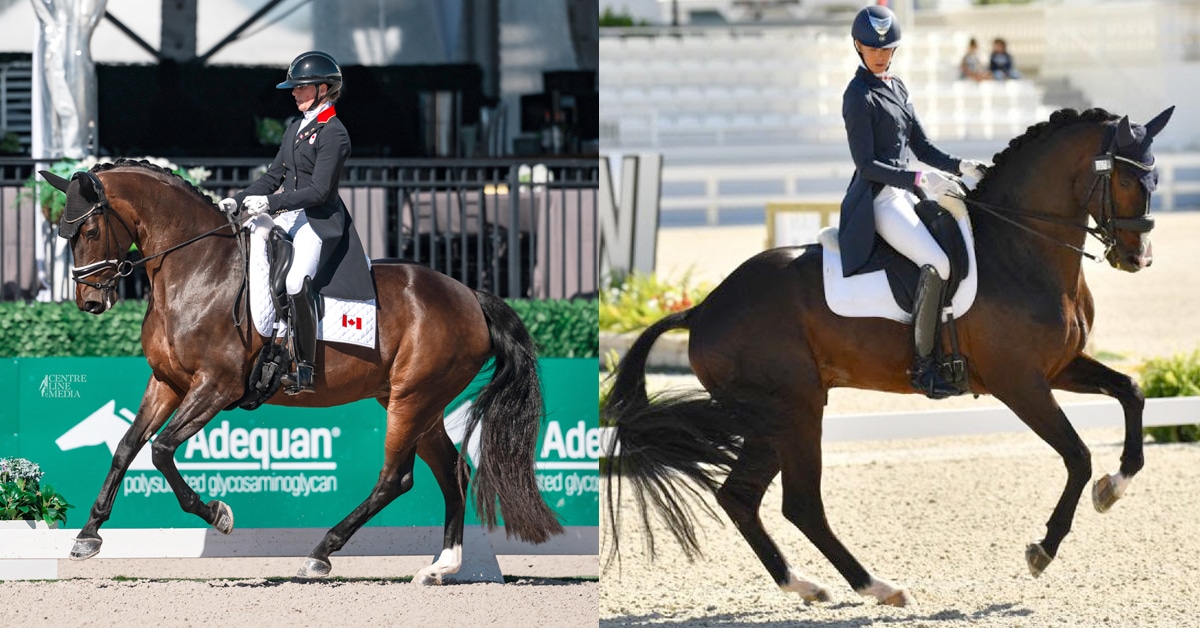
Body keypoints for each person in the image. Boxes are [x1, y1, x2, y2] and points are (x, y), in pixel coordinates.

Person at [838, 5, 988, 399]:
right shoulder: (857, 95)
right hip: (879, 200)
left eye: (887, 48)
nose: (880, 55)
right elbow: (866, 165)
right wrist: (919, 178)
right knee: (938, 262)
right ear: (858, 46)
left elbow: (921, 146)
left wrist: (961, 165)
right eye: (873, 48)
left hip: (904, 193)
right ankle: (924, 367)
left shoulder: (898, 87)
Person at [218, 51, 374, 394]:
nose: (294, 93)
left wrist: (271, 203)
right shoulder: (295, 127)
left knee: (294, 280)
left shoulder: (334, 133)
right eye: (294, 87)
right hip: (289, 214)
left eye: (301, 87)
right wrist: (240, 198)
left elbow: (319, 191)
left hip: (318, 220)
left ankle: (304, 366)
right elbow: (273, 176)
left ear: (323, 89)